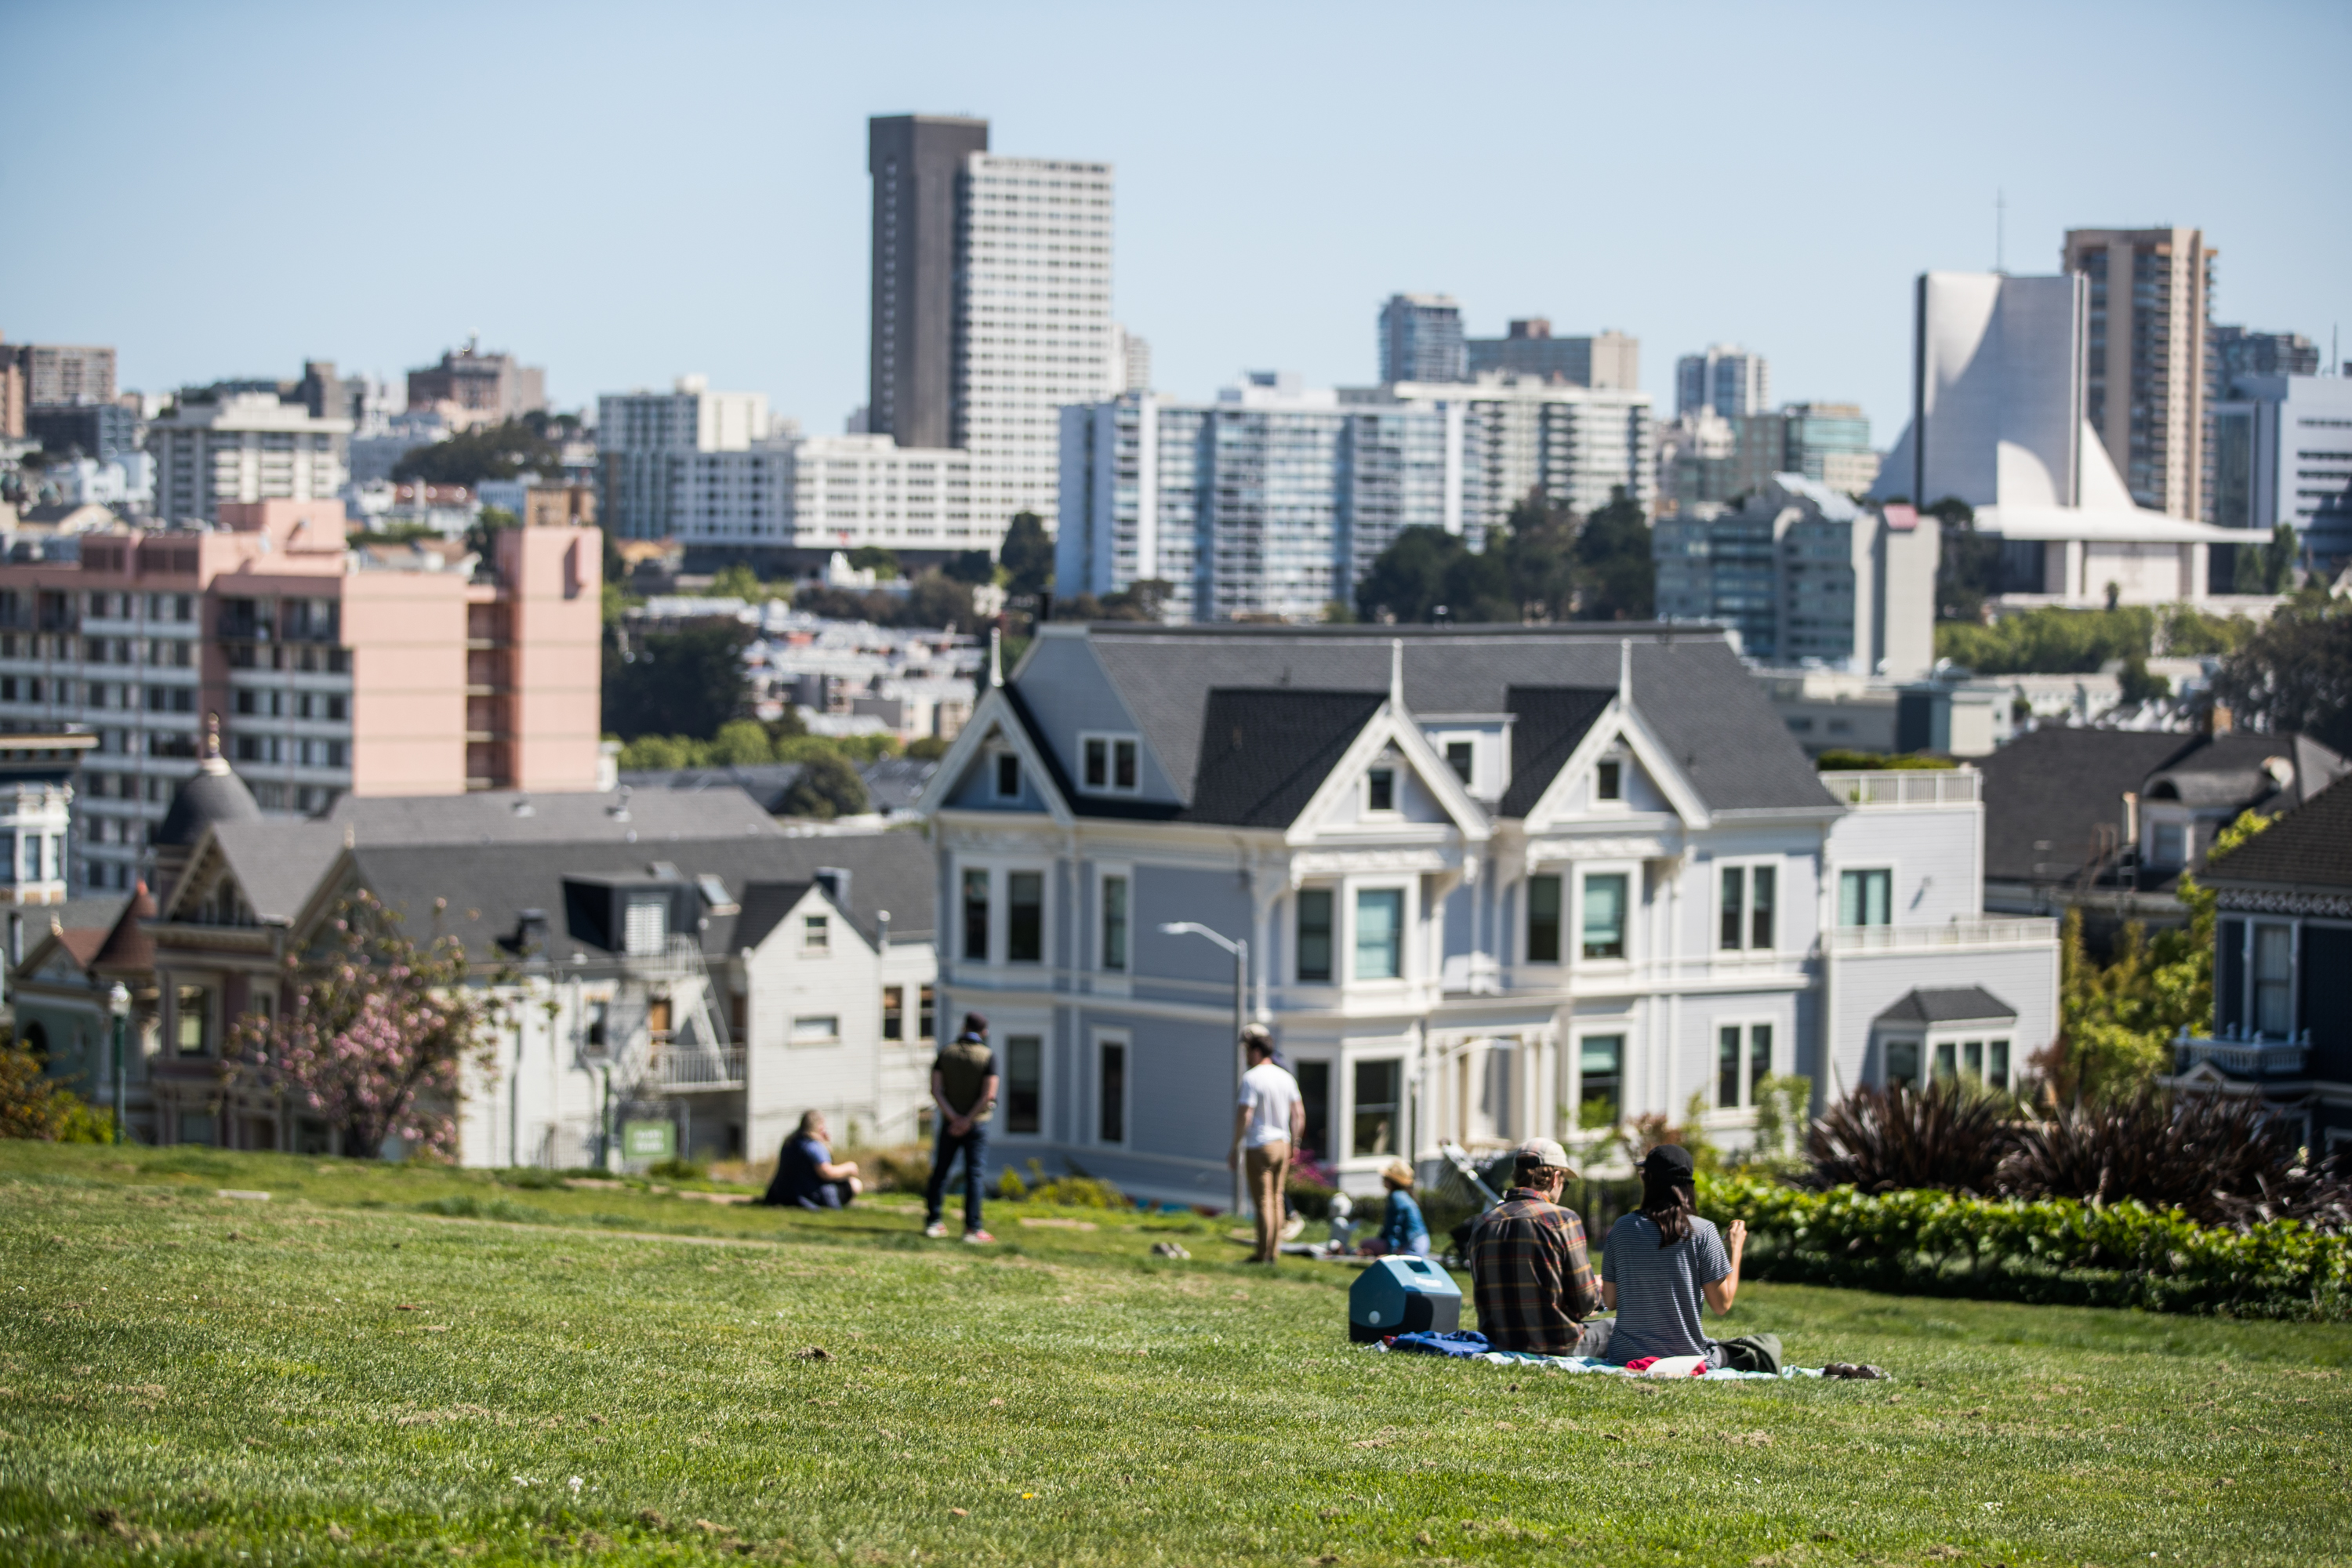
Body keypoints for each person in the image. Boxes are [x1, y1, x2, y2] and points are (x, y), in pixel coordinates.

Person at [1601, 1143, 1779, 1372]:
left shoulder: (1621, 1228)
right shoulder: (1703, 1231)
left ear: (1647, 1179)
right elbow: (1722, 1305)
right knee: (1765, 1345)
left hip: (1624, 1355)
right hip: (1685, 1358)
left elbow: (1610, 1301)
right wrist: (1735, 1249)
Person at [1464, 1137, 1603, 1356]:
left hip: (1498, 1341)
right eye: (1564, 1184)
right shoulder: (1562, 1219)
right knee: (1622, 1328)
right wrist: (1597, 1290)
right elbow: (1585, 1302)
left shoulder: (1484, 1222)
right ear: (1555, 1178)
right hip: (1557, 1343)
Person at [1229, 1025, 1303, 1264]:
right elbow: (1298, 1114)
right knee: (1277, 1199)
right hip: (1283, 1143)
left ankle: (1263, 1254)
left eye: (1248, 1051)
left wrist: (1235, 1145)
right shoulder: (1286, 1077)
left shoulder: (1252, 1078)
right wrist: (1295, 1143)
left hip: (1260, 1144)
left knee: (1263, 1201)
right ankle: (1274, 1251)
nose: (1246, 1057)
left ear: (1256, 1051)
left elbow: (1245, 1115)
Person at [923, 1012, 1000, 1243]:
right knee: (974, 1174)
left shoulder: (946, 1053)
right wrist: (967, 1120)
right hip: (975, 1125)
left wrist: (953, 1117)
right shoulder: (988, 1056)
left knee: (941, 1171)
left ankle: (933, 1221)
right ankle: (972, 1228)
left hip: (950, 1123)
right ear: (984, 1032)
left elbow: (936, 1090)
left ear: (963, 1027)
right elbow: (989, 1095)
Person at [763, 1111, 861, 1210]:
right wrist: (848, 1168)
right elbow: (826, 1173)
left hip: (782, 1193)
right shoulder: (814, 1146)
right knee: (855, 1184)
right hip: (808, 1195)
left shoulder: (790, 1141)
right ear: (820, 1127)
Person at [1363, 1158, 1432, 1258]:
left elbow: (1394, 1228)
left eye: (1385, 1178)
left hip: (1411, 1246)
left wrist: (1391, 1253)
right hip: (1422, 1242)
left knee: (1365, 1244)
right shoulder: (1405, 1196)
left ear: (1391, 1181)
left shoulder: (1396, 1197)